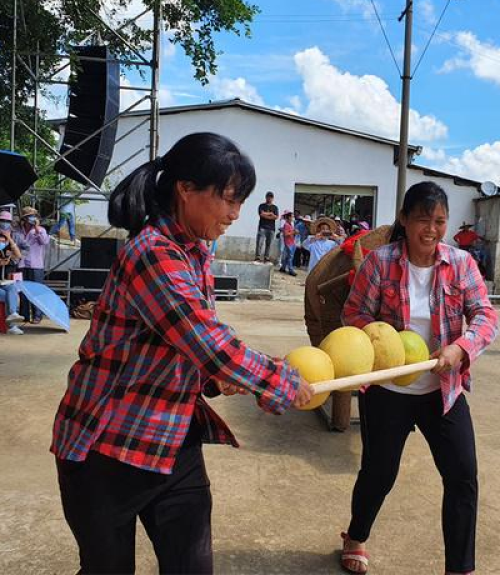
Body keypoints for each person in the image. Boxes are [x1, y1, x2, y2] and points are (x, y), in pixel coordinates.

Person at [50, 132, 313, 575]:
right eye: (228, 199)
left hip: (172, 441)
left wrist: (215, 379)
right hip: (107, 448)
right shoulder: (153, 253)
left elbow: (182, 347)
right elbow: (206, 341)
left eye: (241, 201)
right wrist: (278, 381)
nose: (235, 214)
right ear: (185, 190)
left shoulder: (195, 254)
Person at [339, 181, 498, 575]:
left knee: (463, 475)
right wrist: (384, 343)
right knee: (379, 472)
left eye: (440, 221)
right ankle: (356, 536)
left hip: (442, 388)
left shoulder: (461, 263)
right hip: (389, 388)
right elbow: (353, 314)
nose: (431, 229)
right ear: (405, 220)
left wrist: (460, 348)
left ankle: (459, 567)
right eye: (423, 219)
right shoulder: (380, 262)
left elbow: (485, 315)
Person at [16, 206, 50, 324]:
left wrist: (36, 228)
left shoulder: (41, 230)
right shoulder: (18, 231)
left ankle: (37, 315)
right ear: (24, 219)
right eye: (29, 216)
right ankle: (24, 315)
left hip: (36, 265)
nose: (32, 218)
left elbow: (44, 241)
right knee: (23, 291)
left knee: (36, 291)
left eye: (33, 216)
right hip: (21, 264)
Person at [0, 211, 25, 335]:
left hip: (4, 281)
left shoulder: (10, 241)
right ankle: (12, 324)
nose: (4, 224)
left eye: (7, 222)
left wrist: (9, 238)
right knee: (10, 295)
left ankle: (13, 319)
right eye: (2, 221)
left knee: (12, 289)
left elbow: (19, 255)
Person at [254, 191, 279, 263]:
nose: (269, 198)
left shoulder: (275, 207)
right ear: (266, 197)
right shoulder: (261, 206)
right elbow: (261, 215)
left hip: (271, 229)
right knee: (259, 243)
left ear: (273, 198)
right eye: (268, 197)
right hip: (262, 227)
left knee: (269, 244)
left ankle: (266, 258)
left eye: (271, 197)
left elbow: (276, 217)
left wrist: (266, 214)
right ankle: (257, 257)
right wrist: (271, 214)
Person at [279, 210, 298, 276]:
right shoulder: (286, 225)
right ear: (289, 217)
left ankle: (283, 268)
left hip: (291, 242)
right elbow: (285, 234)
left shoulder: (290, 225)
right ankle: (290, 269)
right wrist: (293, 232)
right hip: (288, 242)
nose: (293, 217)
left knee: (288, 256)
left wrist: (294, 232)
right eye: (292, 216)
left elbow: (290, 233)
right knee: (290, 257)